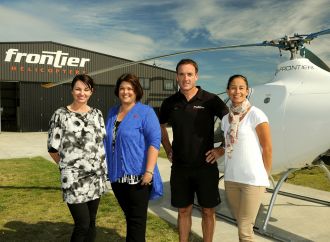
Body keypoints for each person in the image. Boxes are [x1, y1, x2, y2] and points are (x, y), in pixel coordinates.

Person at [159, 59, 228, 242]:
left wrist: (221, 149)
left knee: (207, 211)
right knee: (183, 210)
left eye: (189, 74)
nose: (185, 78)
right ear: (177, 77)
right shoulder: (170, 102)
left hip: (206, 167)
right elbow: (160, 126)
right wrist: (167, 148)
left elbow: (233, 123)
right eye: (181, 74)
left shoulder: (211, 99)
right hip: (180, 168)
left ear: (196, 76)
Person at [47, 74, 108, 242]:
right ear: (72, 91)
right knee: (82, 224)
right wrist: (67, 168)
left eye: (86, 90)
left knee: (92, 222)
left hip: (95, 177)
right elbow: (52, 148)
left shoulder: (97, 114)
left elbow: (101, 143)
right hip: (73, 179)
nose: (82, 93)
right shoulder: (60, 114)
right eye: (78, 89)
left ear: (92, 92)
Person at [104, 73, 163, 242]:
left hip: (138, 178)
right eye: (122, 88)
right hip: (117, 178)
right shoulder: (112, 112)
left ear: (136, 91)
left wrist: (149, 171)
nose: (125, 92)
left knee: (136, 222)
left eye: (129, 88)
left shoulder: (146, 112)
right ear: (117, 91)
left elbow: (154, 142)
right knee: (130, 218)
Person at [221, 74, 272, 242]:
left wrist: (265, 175)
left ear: (247, 91)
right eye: (233, 88)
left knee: (244, 231)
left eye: (241, 88)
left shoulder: (256, 115)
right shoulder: (225, 120)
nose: (237, 91)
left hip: (252, 180)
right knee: (244, 225)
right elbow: (229, 145)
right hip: (231, 179)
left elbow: (267, 148)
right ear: (228, 91)